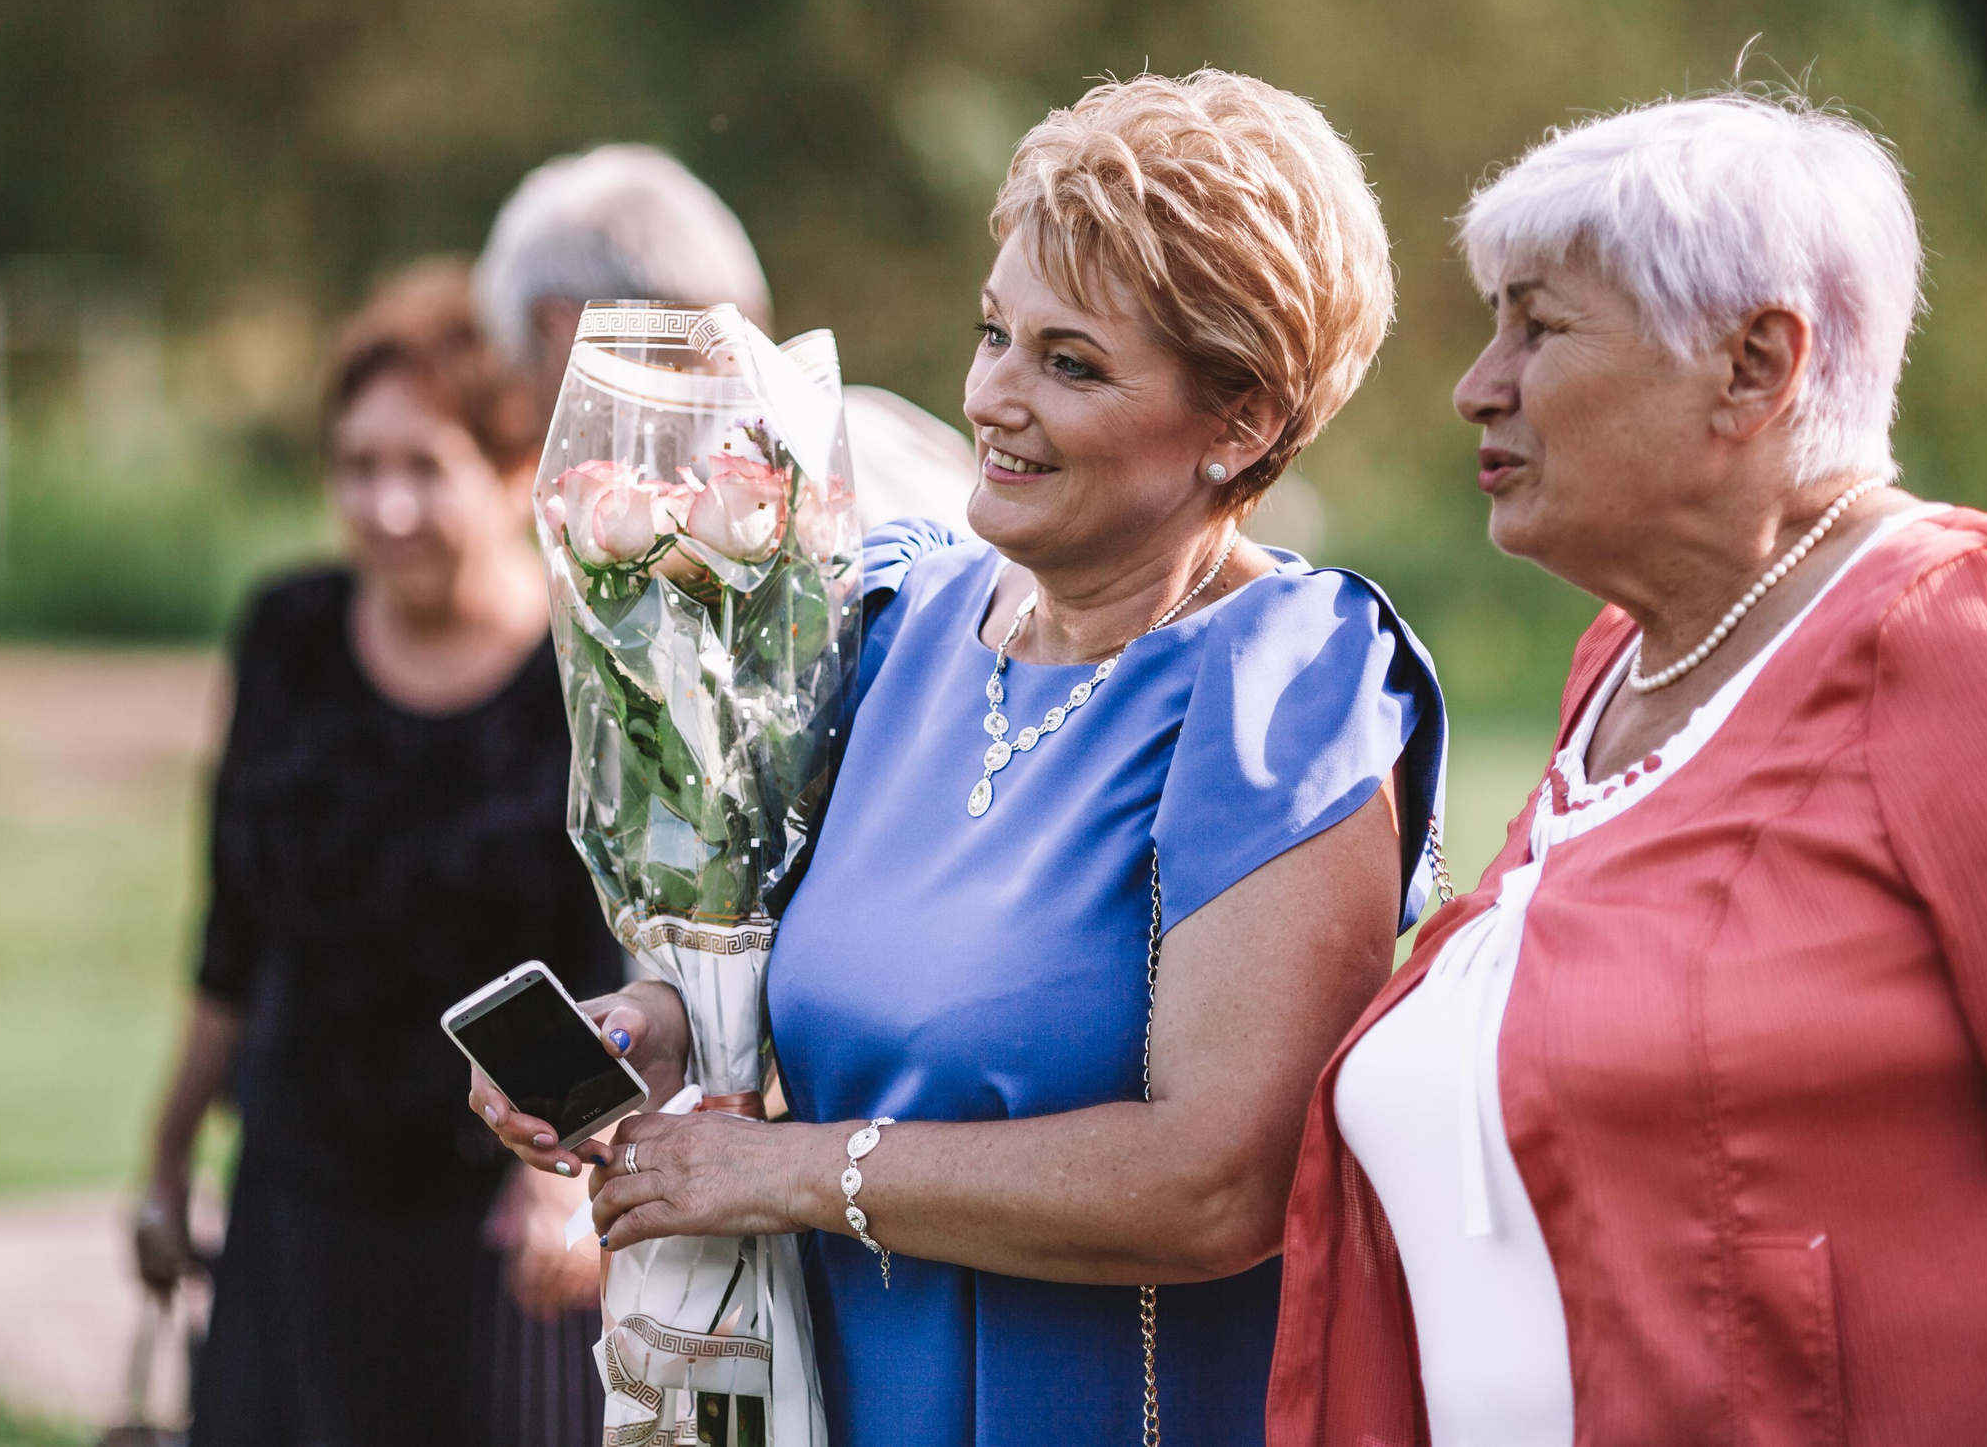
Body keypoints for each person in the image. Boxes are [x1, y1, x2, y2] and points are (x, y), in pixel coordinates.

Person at [475, 70, 1450, 1444]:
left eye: (1072, 362)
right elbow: (860, 993)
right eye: (996, 331)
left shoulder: (1282, 686)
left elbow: (1219, 1184)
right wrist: (654, 1030)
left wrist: (788, 1171)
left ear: (1238, 420)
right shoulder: (889, 622)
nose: (995, 395)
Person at [1268, 93, 1987, 1445]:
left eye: (1539, 326)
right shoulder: (1631, 659)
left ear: (1753, 364)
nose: (1477, 383)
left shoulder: (1977, 635)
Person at [133, 262, 624, 1447]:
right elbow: (234, 932)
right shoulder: (288, 633)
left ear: (516, 476)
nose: (385, 505)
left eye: (424, 467)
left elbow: (607, 959)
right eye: (358, 466)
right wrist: (164, 1154)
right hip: (296, 1200)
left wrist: (567, 1189)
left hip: (495, 1227)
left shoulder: (585, 671)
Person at [473, 142, 981, 533]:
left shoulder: (730, 501)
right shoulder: (879, 432)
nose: (532, 425)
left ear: (559, 334)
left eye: (522, 377)